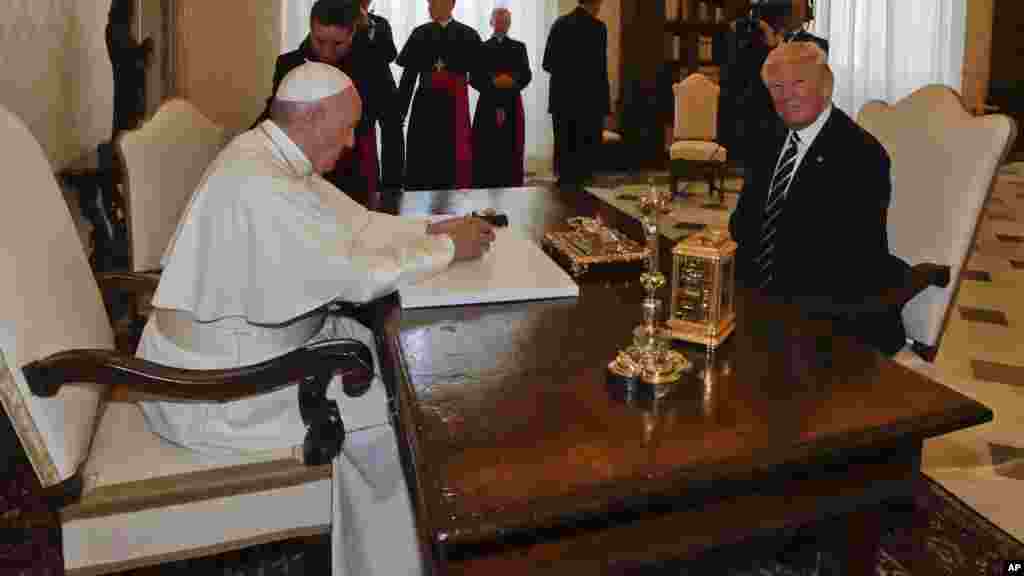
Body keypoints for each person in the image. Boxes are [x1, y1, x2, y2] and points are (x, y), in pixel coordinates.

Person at [139, 62, 494, 574]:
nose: (352, 142)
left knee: (401, 366)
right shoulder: (262, 179)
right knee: (403, 420)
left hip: (250, 350)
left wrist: (438, 228)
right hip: (220, 391)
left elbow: (361, 227)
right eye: (348, 126)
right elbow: (354, 277)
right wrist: (444, 249)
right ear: (312, 116)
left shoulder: (272, 157)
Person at [728, 42, 909, 357]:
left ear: (827, 86)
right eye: (776, 87)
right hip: (764, 301)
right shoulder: (768, 140)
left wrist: (766, 310)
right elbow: (742, 225)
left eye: (799, 83)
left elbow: (848, 258)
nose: (787, 96)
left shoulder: (860, 154)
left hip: (832, 317)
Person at [257, 0, 385, 209]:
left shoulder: (372, 67)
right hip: (303, 180)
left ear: (352, 33)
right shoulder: (289, 65)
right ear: (311, 28)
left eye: (337, 44)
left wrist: (392, 186)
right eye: (319, 41)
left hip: (355, 177)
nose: (326, 52)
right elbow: (274, 117)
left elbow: (391, 124)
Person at [717, 0, 827, 170]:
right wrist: (740, 32)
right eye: (789, 6)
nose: (791, 11)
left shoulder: (817, 44)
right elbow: (741, 72)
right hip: (759, 120)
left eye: (797, 7)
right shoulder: (757, 38)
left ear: (807, 13)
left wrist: (775, 45)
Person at [397, 0, 482, 191]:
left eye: (435, 3)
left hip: (454, 106)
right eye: (429, 3)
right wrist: (400, 111)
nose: (430, 7)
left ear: (451, 4)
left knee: (451, 157)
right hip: (425, 105)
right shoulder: (419, 33)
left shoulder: (468, 35)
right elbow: (408, 77)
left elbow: (479, 77)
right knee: (422, 154)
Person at [543, 0, 610, 193]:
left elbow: (547, 63)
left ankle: (563, 201)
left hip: (563, 100)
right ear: (595, 3)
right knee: (586, 164)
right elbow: (600, 69)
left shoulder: (559, 24)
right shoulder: (598, 28)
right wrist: (604, 103)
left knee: (565, 154)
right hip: (590, 101)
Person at [471, 3, 532, 188]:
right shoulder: (480, 48)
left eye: (506, 21)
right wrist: (493, 83)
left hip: (511, 103)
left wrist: (512, 81)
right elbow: (473, 77)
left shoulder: (519, 47)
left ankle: (511, 183)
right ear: (491, 22)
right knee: (486, 147)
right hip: (488, 104)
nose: (502, 24)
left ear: (509, 24)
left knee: (511, 147)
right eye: (498, 20)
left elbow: (526, 75)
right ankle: (485, 183)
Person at [356, 0, 405, 206]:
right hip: (359, 89)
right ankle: (369, 185)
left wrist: (370, 30)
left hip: (385, 89)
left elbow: (391, 54)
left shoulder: (381, 23)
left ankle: (393, 186)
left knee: (393, 134)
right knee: (363, 137)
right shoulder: (344, 22)